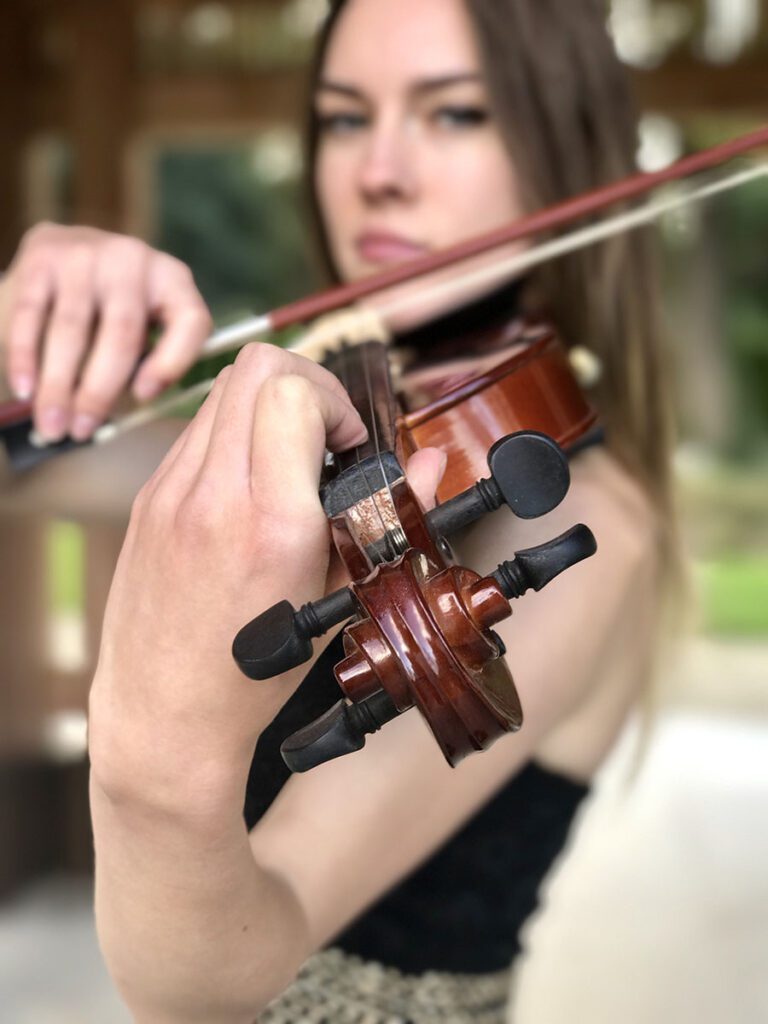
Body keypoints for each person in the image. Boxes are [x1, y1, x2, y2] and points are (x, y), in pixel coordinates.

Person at [1, 1, 677, 1020]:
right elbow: (53, 469)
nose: (379, 171)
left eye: (454, 115)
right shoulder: (360, 433)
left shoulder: (580, 527)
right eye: (345, 117)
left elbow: (206, 983)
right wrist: (33, 351)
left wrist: (153, 763)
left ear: (567, 151)